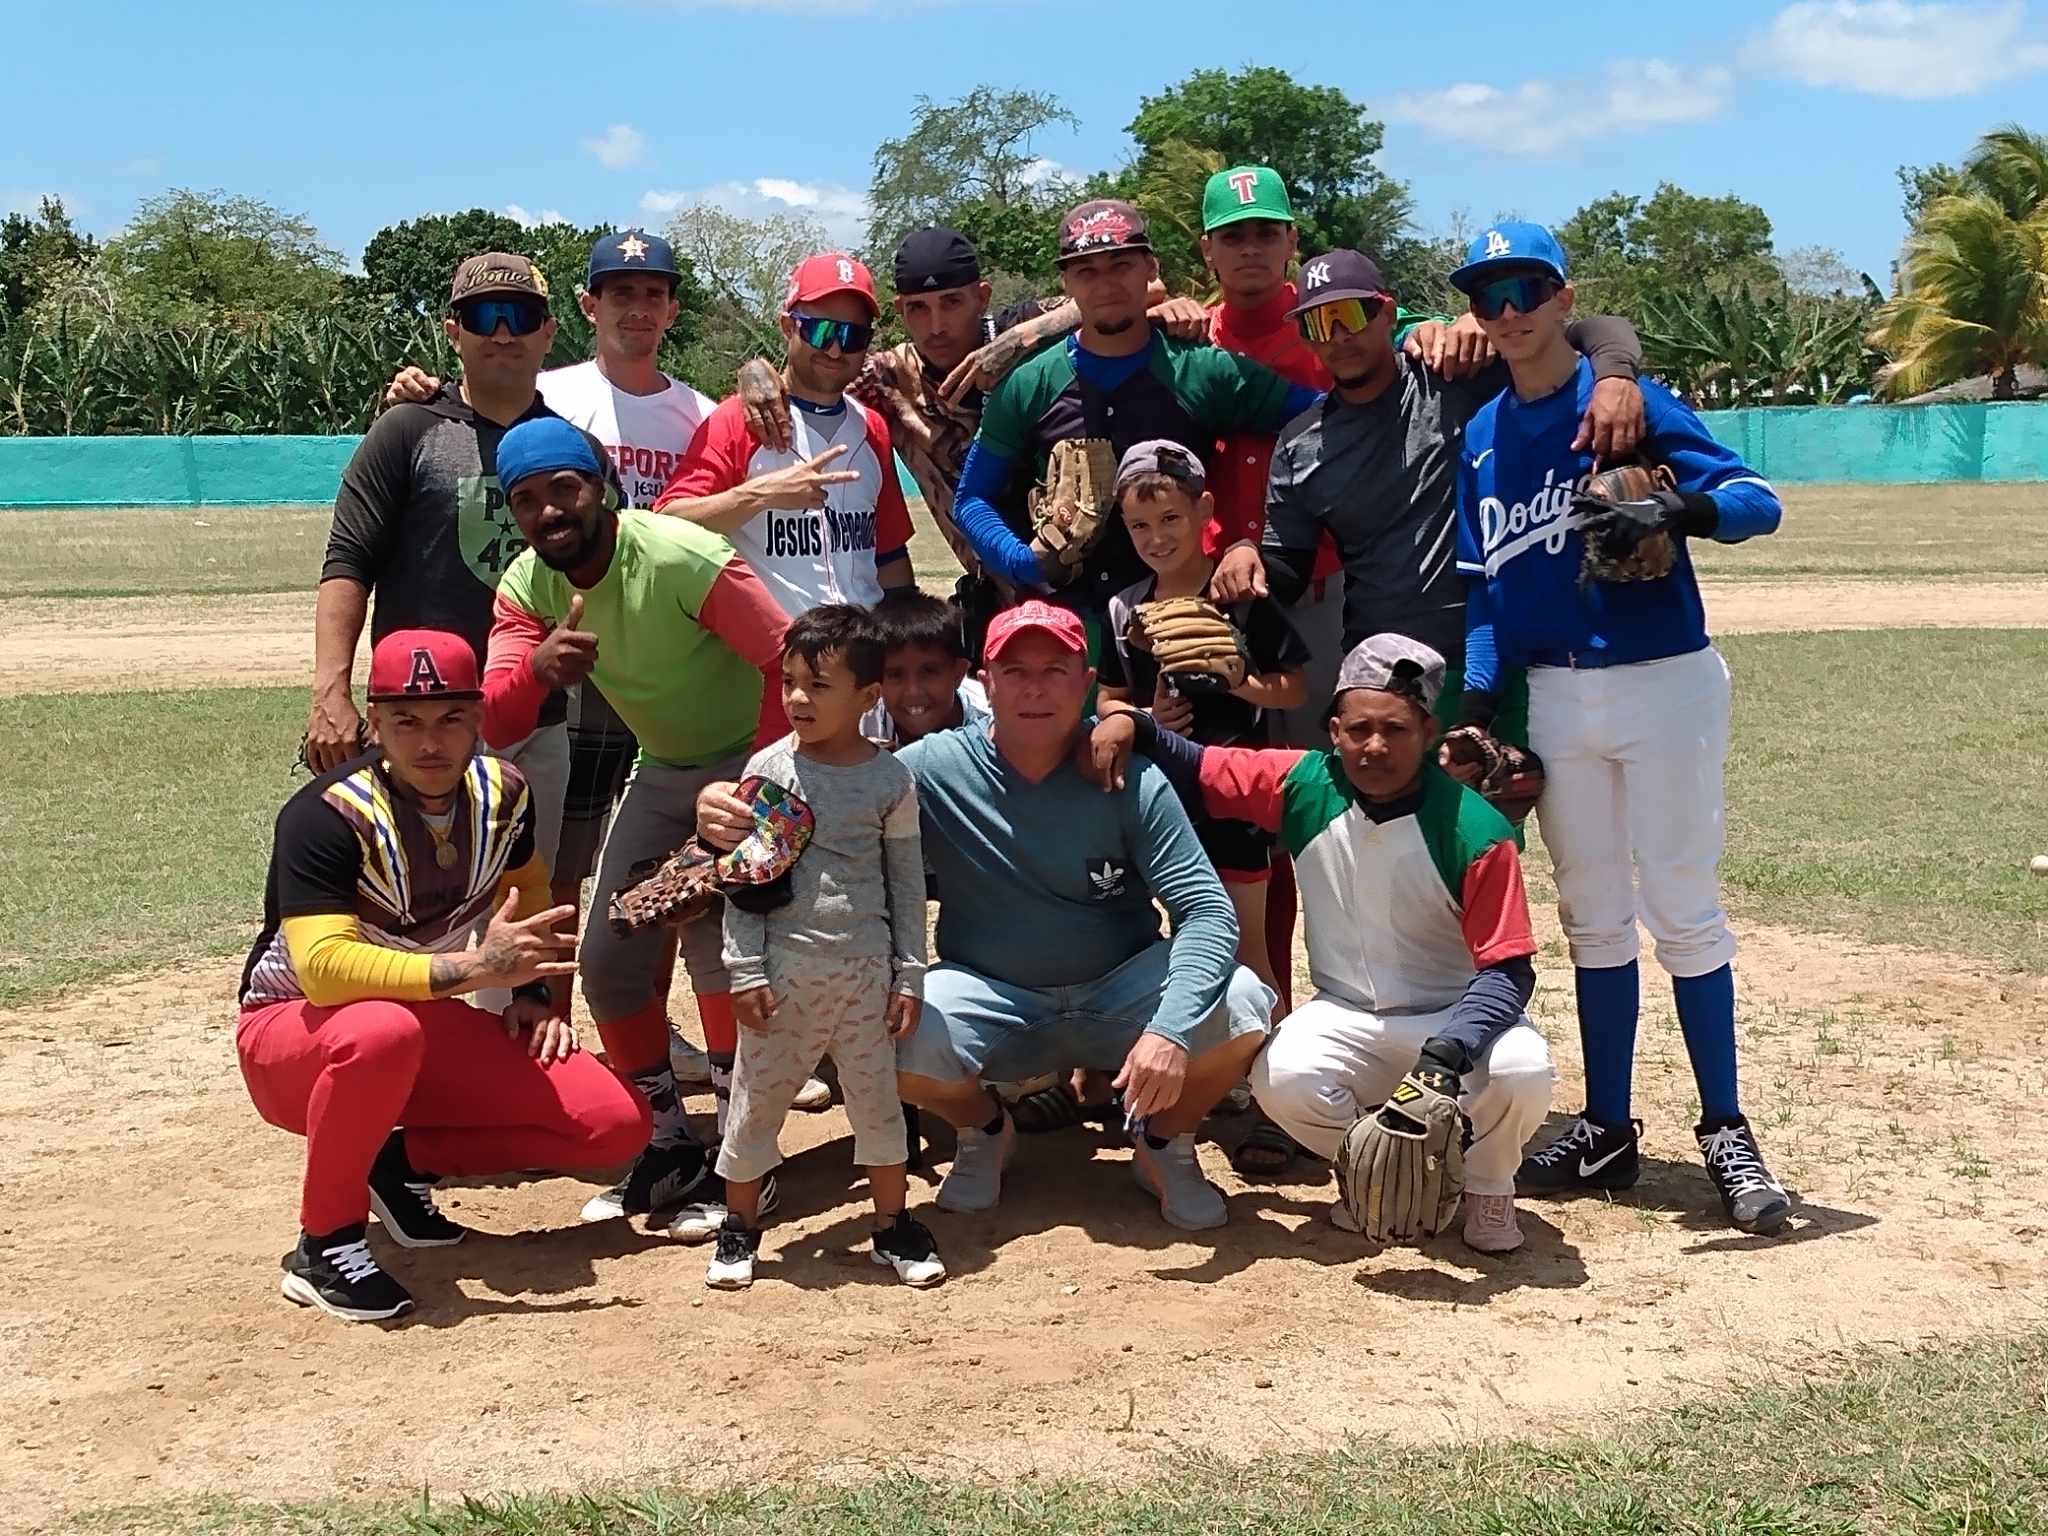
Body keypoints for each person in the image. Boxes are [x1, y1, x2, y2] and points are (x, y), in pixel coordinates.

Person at [698, 600, 1277, 1232]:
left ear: (1086, 685)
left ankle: (1165, 1141)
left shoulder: (1131, 778)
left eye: (1055, 670)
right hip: (991, 991)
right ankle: (984, 1130)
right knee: (878, 1031)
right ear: (985, 683)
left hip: (1123, 985)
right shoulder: (925, 771)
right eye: (1015, 670)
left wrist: (1169, 1031)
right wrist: (721, 805)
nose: (1034, 688)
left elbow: (1207, 912)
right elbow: (822, 782)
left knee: (1246, 1003)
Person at [1446, 221, 1792, 1237]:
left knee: (1681, 907)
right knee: (1592, 913)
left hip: (1662, 681)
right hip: (1551, 693)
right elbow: (1482, 594)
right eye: (1485, 296)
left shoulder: (1628, 404)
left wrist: (1678, 514)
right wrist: (1474, 706)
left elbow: (1757, 501)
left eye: (1523, 290)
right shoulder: (1479, 436)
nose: (1505, 314)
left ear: (1563, 299)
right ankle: (1605, 1127)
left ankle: (1724, 1128)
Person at [380, 230, 726, 1082]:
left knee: (604, 876)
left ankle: (615, 1035)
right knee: (484, 873)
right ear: (584, 310)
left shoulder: (691, 408)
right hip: (503, 671)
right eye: (617, 292)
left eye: (653, 293)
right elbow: (453, 420)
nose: (636, 308)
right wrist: (411, 394)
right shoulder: (546, 395)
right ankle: (466, 1055)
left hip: (625, 670)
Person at [1085, 634, 1555, 1253]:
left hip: (1451, 1019)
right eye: (1360, 728)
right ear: (1334, 730)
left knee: (1523, 1069)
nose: (1376, 746)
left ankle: (1487, 1186)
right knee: (1279, 1077)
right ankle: (1376, 1173)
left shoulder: (1476, 827)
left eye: (1397, 729)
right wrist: (1128, 724)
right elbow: (1195, 764)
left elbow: (1508, 971)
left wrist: (1450, 1051)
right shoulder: (1305, 783)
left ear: (1430, 732)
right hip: (1347, 1013)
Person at [237, 628, 647, 1322]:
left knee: (613, 1126)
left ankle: (392, 1161)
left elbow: (530, 893)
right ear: (375, 723)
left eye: (451, 719)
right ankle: (326, 1244)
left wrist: (531, 993)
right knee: (379, 1032)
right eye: (406, 722)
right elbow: (325, 970)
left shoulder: (503, 792)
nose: (430, 743)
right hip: (293, 1034)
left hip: (409, 1021)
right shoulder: (326, 815)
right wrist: (474, 968)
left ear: (479, 719)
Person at [480, 418, 792, 1224]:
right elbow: (492, 718)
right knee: (612, 956)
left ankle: (744, 1151)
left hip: (752, 760)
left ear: (602, 488)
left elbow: (786, 667)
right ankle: (668, 1146)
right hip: (663, 773)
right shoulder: (526, 586)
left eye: (564, 489)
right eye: (525, 500)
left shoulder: (682, 555)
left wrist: (751, 799)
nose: (549, 511)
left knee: (720, 947)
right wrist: (541, 672)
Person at [1213, 247, 1647, 690]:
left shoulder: (1455, 375)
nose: (1339, 335)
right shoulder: (1299, 443)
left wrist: (1615, 375)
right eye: (1320, 323)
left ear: (1386, 313)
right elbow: (1289, 570)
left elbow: (1595, 330)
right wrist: (1245, 554)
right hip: (1385, 673)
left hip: (1501, 653)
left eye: (1351, 314)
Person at [308, 252, 609, 880]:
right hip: (422, 716)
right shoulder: (404, 432)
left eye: (521, 316)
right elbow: (347, 563)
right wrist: (329, 691)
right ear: (453, 332)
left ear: (549, 332)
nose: (503, 332)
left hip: (538, 719)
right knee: (408, 907)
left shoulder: (576, 451)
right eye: (484, 316)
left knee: (528, 908)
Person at [696, 605, 943, 1290]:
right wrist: (744, 970)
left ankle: (893, 1225)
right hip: (782, 979)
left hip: (865, 978)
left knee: (877, 1106)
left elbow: (902, 885)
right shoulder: (769, 770)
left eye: (820, 685)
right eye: (791, 682)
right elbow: (748, 882)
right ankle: (740, 1228)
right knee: (755, 1103)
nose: (799, 698)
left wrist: (909, 975)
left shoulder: (891, 781)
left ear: (868, 699)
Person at [949, 199, 1321, 629]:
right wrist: (1024, 562)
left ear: (1151, 269)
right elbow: (972, 499)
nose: (1106, 284)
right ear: (1066, 281)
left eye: (1121, 265)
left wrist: (1258, 542)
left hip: (1184, 619)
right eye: (1087, 270)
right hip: (1070, 627)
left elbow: (1320, 416)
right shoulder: (1030, 383)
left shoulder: (1201, 369)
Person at [1095, 441, 1308, 997]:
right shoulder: (1124, 607)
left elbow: (1294, 689)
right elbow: (1106, 698)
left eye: (1170, 518)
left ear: (1205, 511)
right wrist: (1148, 717)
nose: (1157, 537)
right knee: (1184, 934)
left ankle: (1264, 1068)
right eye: (1140, 525)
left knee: (1247, 944)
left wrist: (1241, 681)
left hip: (1238, 791)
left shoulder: (1241, 594)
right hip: (1162, 794)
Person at [654, 253, 916, 617]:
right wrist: (761, 494)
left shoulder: (872, 428)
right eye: (821, 330)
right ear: (788, 327)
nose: (836, 348)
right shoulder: (739, 419)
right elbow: (667, 522)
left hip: (866, 653)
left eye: (853, 336)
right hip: (780, 659)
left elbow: (888, 554)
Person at [862, 587, 989, 748]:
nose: (913, 691)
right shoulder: (858, 720)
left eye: (929, 672)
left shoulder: (992, 721)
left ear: (958, 673)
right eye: (895, 675)